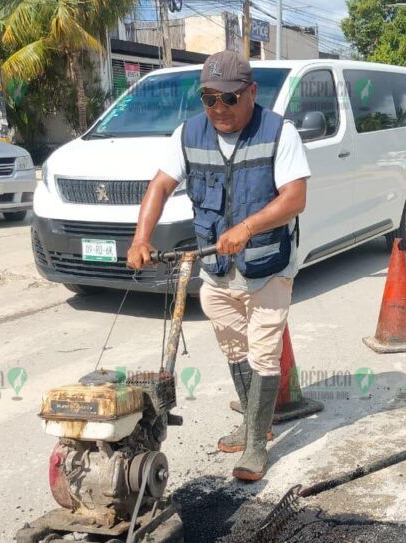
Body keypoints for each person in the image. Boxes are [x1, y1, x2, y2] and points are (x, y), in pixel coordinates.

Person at [127, 51, 310, 482]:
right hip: (217, 268)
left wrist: (247, 227)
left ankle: (255, 446)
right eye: (209, 99)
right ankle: (253, 423)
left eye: (229, 99)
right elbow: (160, 186)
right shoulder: (188, 134)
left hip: (268, 263)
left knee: (264, 351)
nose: (219, 110)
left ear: (251, 93)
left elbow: (294, 198)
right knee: (235, 349)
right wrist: (141, 237)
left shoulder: (279, 133)